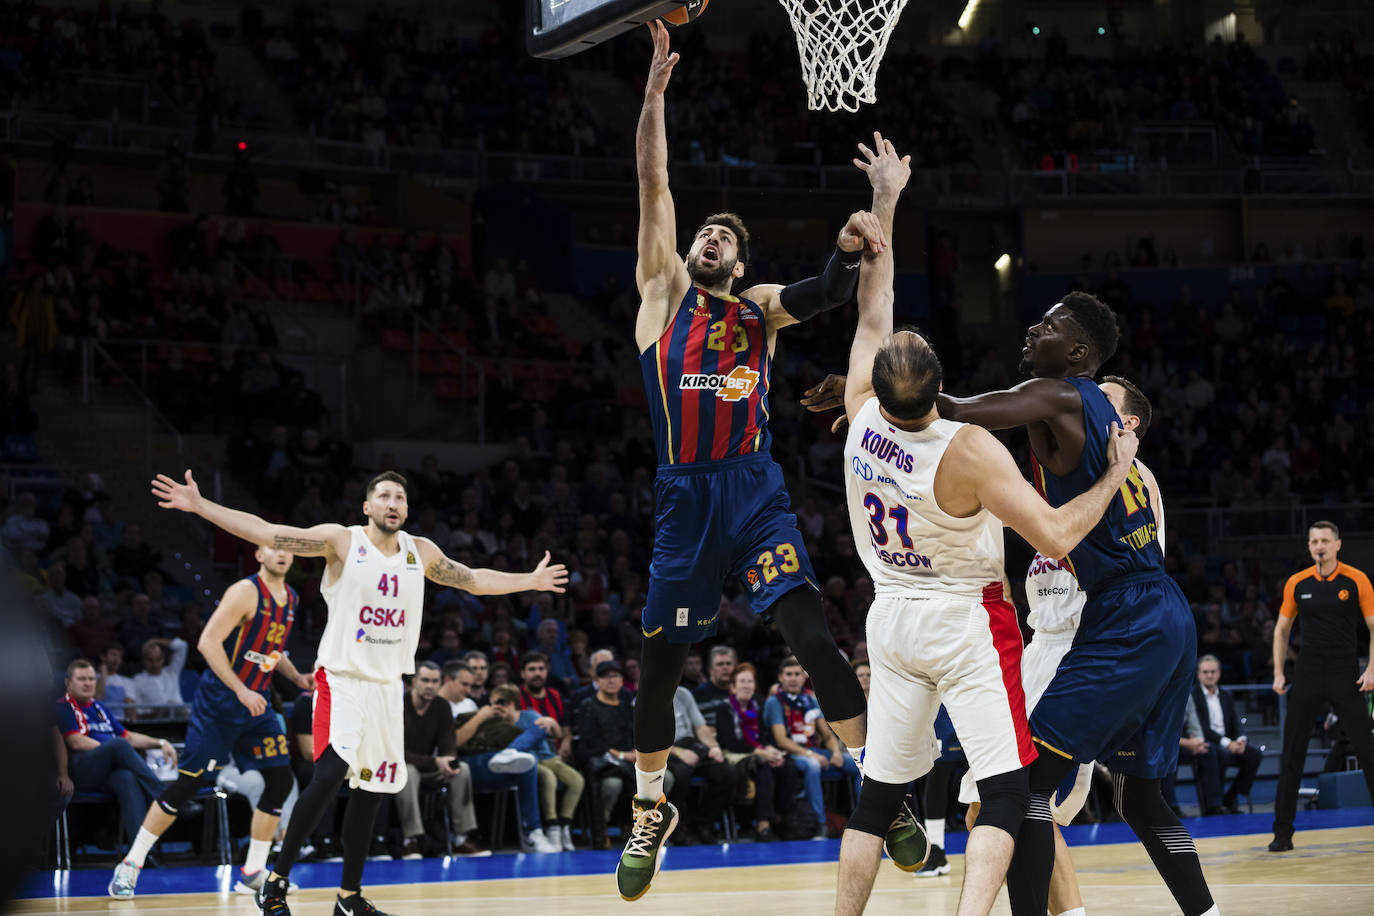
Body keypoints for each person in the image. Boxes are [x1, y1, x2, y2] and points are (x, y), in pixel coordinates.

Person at [829, 134, 1140, 916]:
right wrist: (1112, 473)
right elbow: (1058, 536)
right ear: (936, 381)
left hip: (888, 618)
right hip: (965, 622)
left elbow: (876, 296)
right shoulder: (968, 449)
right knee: (1003, 792)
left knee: (875, 802)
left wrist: (887, 201)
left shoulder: (860, 413)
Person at [619, 22, 875, 901]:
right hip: (685, 501)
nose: (714, 237)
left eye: (728, 235)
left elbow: (827, 295)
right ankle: (652, 805)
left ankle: (880, 790)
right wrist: (654, 93)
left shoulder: (757, 311)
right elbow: (654, 180)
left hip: (755, 492)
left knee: (810, 632)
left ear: (742, 258)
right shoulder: (663, 294)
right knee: (658, 667)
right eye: (708, 231)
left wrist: (846, 249)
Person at [149, 468, 566, 916]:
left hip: (388, 687)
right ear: (367, 506)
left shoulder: (420, 552)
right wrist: (201, 506)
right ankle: (274, 882)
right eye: (384, 496)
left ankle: (348, 897)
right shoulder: (341, 541)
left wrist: (530, 581)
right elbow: (270, 532)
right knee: (329, 774)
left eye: (400, 498)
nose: (393, 504)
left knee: (372, 790)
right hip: (343, 678)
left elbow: (473, 579)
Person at [954, 375, 1166, 913]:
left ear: (1127, 427)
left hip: (1081, 651)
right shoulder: (1062, 485)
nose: (1084, 406)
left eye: (1101, 401)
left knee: (1025, 803)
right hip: (1035, 653)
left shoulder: (1131, 479)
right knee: (988, 808)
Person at [108, 544, 311, 898]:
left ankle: (253, 871)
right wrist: (240, 689)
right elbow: (207, 643)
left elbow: (272, 649)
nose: (281, 553)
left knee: (280, 781)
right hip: (220, 701)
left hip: (256, 703)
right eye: (272, 546)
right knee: (187, 784)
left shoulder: (290, 598)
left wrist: (296, 678)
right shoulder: (245, 592)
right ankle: (130, 864)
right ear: (259, 555)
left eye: (286, 547)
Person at [1269, 521, 1374, 851]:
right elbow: (1281, 630)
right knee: (1292, 754)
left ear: (1338, 545)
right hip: (1308, 672)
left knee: (1367, 750)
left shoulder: (1356, 579)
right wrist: (1278, 672)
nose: (1319, 546)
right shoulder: (1297, 582)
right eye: (1314, 541)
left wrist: (1372, 668)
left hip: (1347, 672)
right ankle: (1282, 834)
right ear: (1309, 546)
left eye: (1325, 540)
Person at [58, 660, 176, 858]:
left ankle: (141, 855)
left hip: (106, 770)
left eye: (91, 679)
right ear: (68, 683)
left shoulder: (100, 708)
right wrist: (112, 750)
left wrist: (161, 742)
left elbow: (128, 737)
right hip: (81, 769)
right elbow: (75, 742)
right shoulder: (63, 707)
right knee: (119, 746)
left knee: (126, 778)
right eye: (81, 679)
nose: (88, 683)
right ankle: (164, 797)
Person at [395, 662, 487, 858]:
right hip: (401, 766)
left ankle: (461, 839)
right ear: (414, 682)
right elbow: (397, 752)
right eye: (425, 680)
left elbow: (448, 743)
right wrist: (436, 762)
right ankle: (410, 841)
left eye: (434, 681)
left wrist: (448, 761)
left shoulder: (441, 706)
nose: (430, 685)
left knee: (461, 769)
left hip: (430, 767)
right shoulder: (398, 705)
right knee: (408, 771)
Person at [453, 684, 559, 853]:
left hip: (504, 757)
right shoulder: (468, 712)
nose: (502, 706)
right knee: (527, 760)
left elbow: (554, 733)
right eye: (499, 702)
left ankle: (534, 832)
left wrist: (550, 721)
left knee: (529, 761)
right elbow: (455, 742)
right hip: (477, 762)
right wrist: (481, 716)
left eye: (507, 702)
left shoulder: (522, 717)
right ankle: (533, 831)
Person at [764, 656, 859, 841]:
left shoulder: (810, 699)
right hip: (792, 755)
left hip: (816, 752)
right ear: (780, 678)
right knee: (813, 766)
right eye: (788, 674)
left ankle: (862, 818)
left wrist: (837, 752)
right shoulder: (774, 702)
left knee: (858, 764)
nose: (793, 678)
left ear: (803, 677)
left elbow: (827, 734)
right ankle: (820, 824)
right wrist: (811, 755)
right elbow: (782, 740)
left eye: (797, 674)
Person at [711, 662, 796, 842]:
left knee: (787, 766)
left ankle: (779, 818)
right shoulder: (724, 708)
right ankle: (763, 824)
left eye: (749, 681)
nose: (746, 685)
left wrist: (770, 750)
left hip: (758, 751)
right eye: (742, 681)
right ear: (733, 687)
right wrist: (761, 752)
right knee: (763, 767)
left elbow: (764, 735)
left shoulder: (758, 703)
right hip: (733, 754)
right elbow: (730, 742)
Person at [577, 660, 638, 845]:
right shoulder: (588, 705)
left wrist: (636, 752)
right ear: (597, 680)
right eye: (606, 676)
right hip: (602, 761)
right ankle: (600, 828)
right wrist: (620, 754)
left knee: (661, 779)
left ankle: (636, 827)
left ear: (622, 680)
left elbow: (637, 732)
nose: (611, 680)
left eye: (616, 676)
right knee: (613, 784)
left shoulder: (628, 704)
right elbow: (590, 740)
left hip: (630, 759)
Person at [1192, 654, 1263, 815]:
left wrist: (1241, 739)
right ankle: (1214, 804)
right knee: (1220, 753)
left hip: (1228, 742)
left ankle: (1230, 796)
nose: (1209, 675)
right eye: (1205, 672)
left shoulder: (1226, 695)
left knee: (1254, 754)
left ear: (1219, 673)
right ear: (1198, 674)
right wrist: (1227, 743)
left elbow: (1236, 722)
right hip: (1208, 742)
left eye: (1213, 672)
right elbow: (1202, 728)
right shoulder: (1193, 696)